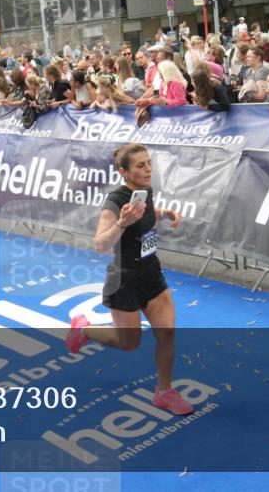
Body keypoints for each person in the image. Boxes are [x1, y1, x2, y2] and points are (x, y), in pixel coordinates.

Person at [65, 143, 191, 415]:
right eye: (140, 165)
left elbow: (146, 212)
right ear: (124, 172)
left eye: (148, 163)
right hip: (124, 278)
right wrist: (121, 223)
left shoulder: (145, 190)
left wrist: (164, 213)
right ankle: (83, 329)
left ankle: (164, 392)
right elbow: (99, 244)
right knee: (129, 344)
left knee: (167, 333)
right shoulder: (115, 202)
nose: (147, 169)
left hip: (151, 273)